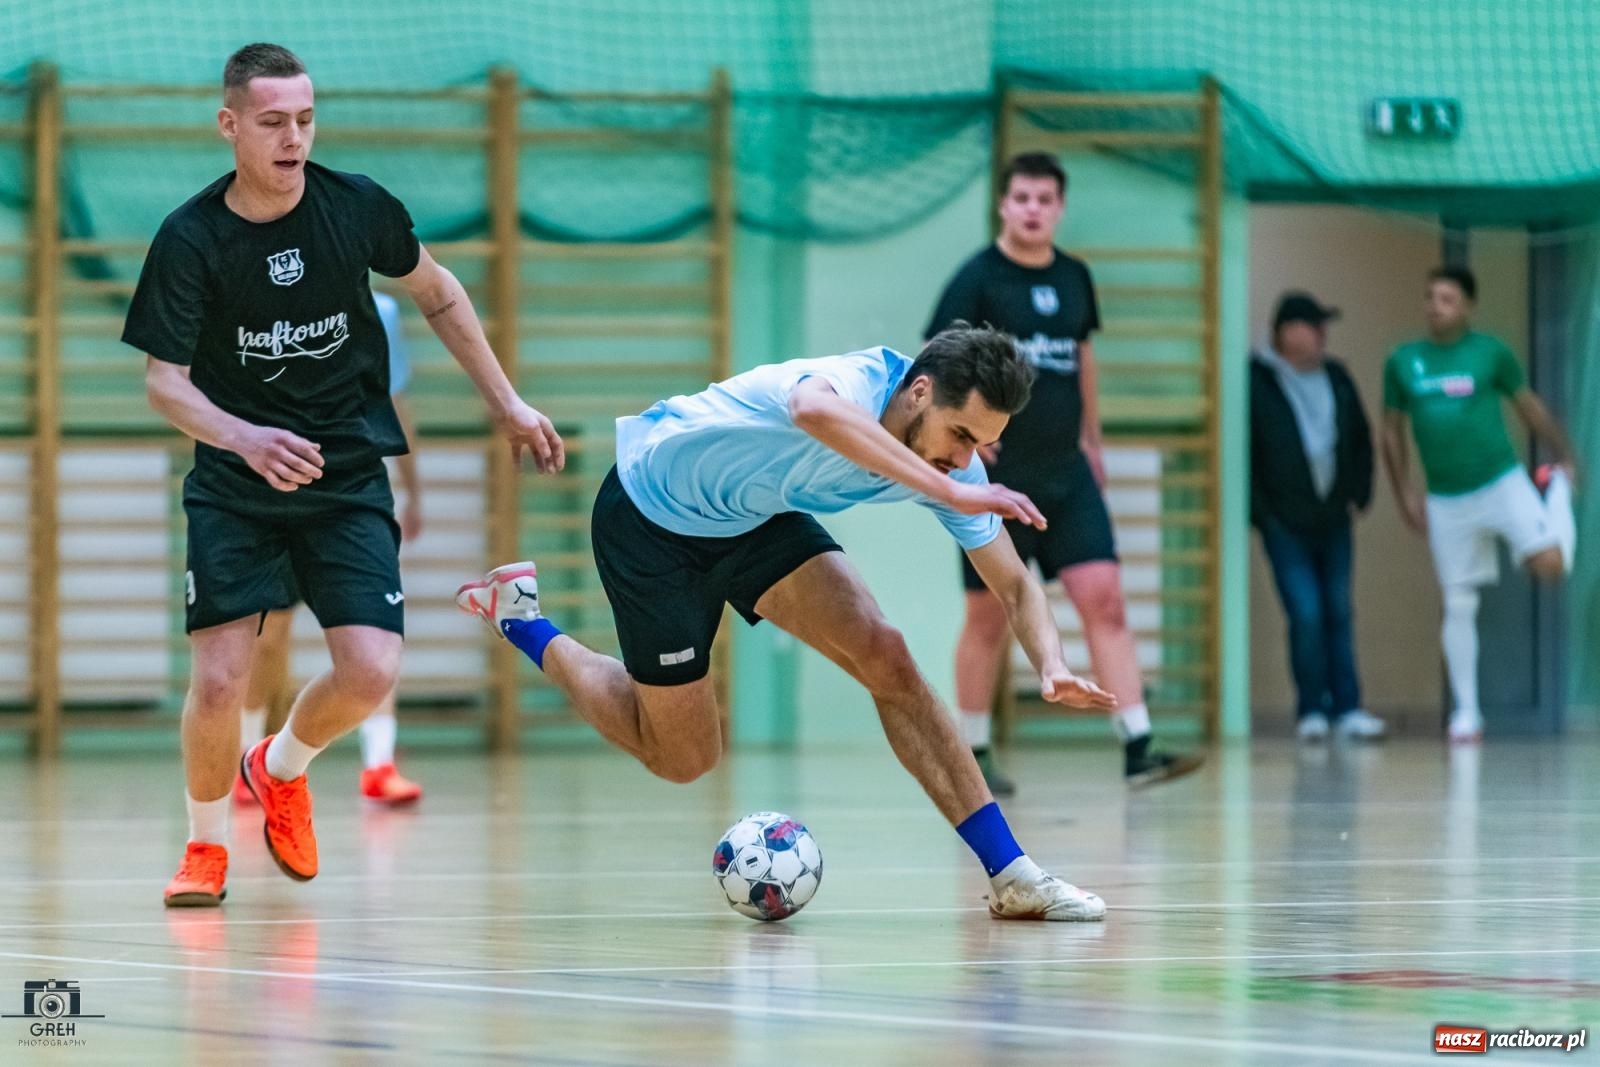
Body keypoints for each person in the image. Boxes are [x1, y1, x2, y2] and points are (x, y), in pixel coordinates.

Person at [459, 325, 1119, 920]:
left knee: (887, 655)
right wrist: (946, 488)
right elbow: (811, 411)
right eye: (962, 434)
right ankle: (523, 620)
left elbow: (1014, 585)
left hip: (753, 519)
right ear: (919, 391)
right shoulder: (853, 383)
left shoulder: (953, 467)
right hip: (649, 519)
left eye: (983, 444)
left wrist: (1052, 663)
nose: (966, 456)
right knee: (684, 758)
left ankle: (1012, 874)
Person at [124, 43, 564, 908]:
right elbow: (163, 384)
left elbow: (438, 291)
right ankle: (205, 847)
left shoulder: (355, 206)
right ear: (229, 125)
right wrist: (244, 438)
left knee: (369, 669)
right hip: (237, 486)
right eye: (272, 122)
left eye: (305, 119)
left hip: (346, 474)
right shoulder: (190, 238)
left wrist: (507, 402)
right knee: (220, 677)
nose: (293, 138)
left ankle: (280, 765)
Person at [927, 151, 1203, 794]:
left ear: (1059, 207)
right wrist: (958, 437)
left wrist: (1093, 440)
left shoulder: (1075, 277)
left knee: (1106, 601)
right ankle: (974, 753)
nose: (1033, 209)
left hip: (1068, 475)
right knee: (989, 618)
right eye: (1022, 197)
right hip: (999, 483)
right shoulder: (977, 279)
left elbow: (1082, 358)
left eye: (1044, 199)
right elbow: (935, 359)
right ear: (1004, 204)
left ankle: (1138, 745)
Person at [234, 291, 426, 807]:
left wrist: (413, 488)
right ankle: (247, 760)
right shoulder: (259, 302)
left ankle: (380, 763)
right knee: (268, 634)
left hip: (351, 496)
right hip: (274, 495)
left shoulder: (379, 311)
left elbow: (394, 402)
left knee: (374, 632)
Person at [1381, 266, 1577, 743]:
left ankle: (1554, 490)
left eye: (1447, 298)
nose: (1435, 306)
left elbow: (1528, 407)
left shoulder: (1491, 353)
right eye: (1430, 297)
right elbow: (1390, 430)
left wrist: (1564, 453)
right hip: (1446, 499)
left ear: (1468, 306)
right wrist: (1404, 491)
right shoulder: (1403, 361)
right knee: (1458, 601)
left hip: (1500, 482)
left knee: (1550, 565)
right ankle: (1467, 714)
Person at [1250, 292, 1384, 742]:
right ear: (1287, 331)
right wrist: (1263, 516)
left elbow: (1361, 438)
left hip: (1334, 519)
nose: (1322, 333)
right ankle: (1311, 709)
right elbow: (1247, 452)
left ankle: (1347, 707)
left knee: (1338, 612)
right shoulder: (1258, 381)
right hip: (1285, 524)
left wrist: (1359, 494)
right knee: (1306, 613)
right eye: (1313, 324)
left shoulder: (1338, 377)